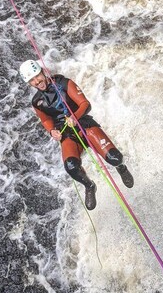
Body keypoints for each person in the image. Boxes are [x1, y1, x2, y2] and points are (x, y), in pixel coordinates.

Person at [19, 59, 134, 210]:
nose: (37, 81)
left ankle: (121, 168)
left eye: (37, 76)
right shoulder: (37, 101)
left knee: (114, 158)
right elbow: (46, 120)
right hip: (67, 132)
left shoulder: (63, 83)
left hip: (84, 124)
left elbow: (85, 104)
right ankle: (90, 186)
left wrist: (75, 117)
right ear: (29, 83)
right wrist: (52, 131)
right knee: (71, 166)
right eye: (32, 80)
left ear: (42, 71)